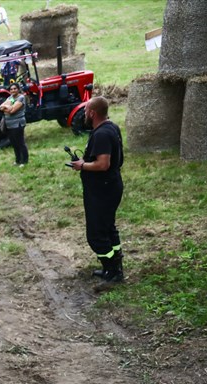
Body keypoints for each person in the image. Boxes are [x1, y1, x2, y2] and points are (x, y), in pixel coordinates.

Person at [69, 96, 125, 283]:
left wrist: (82, 166)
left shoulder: (101, 134)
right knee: (108, 228)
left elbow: (103, 164)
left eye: (85, 111)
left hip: (103, 190)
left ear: (92, 113)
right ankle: (115, 267)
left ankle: (112, 271)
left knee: (96, 234)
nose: (84, 114)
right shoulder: (111, 127)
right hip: (110, 186)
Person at [0, 82, 28, 166]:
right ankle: (18, 160)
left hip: (18, 123)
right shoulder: (10, 98)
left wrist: (7, 107)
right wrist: (7, 107)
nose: (13, 90)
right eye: (11, 89)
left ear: (18, 89)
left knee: (20, 142)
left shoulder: (21, 98)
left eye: (15, 88)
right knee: (14, 143)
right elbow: (0, 107)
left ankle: (24, 161)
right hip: (9, 124)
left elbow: (12, 111)